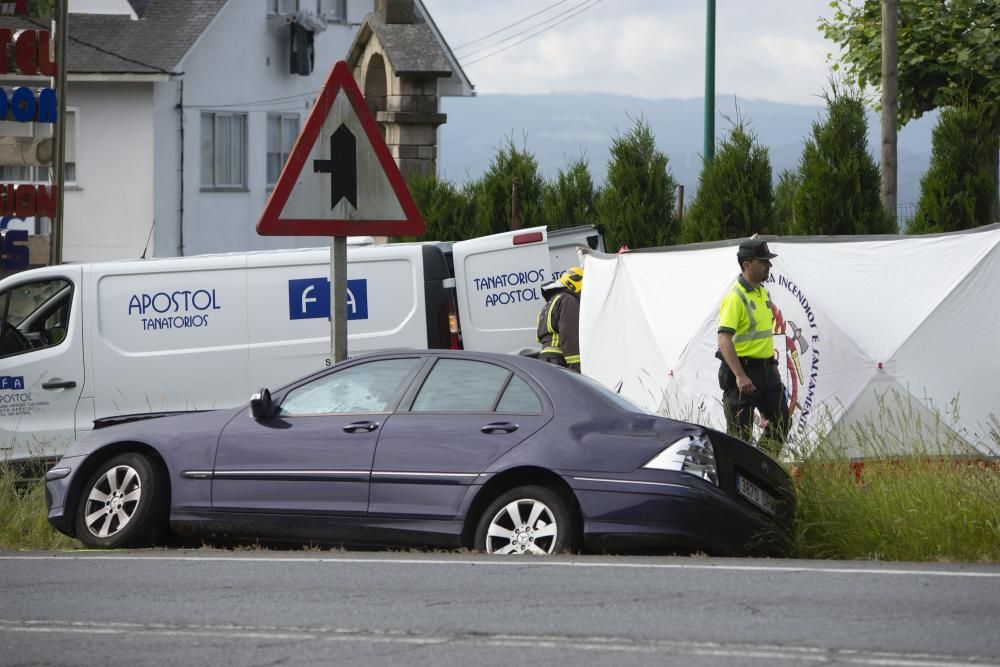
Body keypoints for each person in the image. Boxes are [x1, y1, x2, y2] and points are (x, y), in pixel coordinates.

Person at [716, 237, 790, 456]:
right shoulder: (735, 298)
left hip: (767, 372)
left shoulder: (762, 292)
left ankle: (760, 469)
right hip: (742, 375)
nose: (769, 265)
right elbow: (723, 339)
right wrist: (739, 375)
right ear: (747, 265)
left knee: (781, 424)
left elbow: (763, 336)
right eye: (764, 261)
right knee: (740, 438)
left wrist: (773, 366)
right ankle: (745, 477)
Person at [536, 266, 583, 372]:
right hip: (559, 360)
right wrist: (576, 370)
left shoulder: (551, 302)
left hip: (545, 359)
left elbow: (539, 338)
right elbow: (569, 337)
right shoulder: (568, 300)